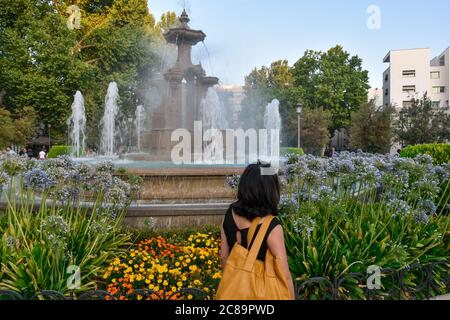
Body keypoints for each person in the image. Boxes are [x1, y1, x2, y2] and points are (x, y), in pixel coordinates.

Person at [219, 161, 295, 300]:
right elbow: (285, 275)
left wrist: (232, 282)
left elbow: (224, 257)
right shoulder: (272, 226)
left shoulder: (229, 213)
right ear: (270, 190)